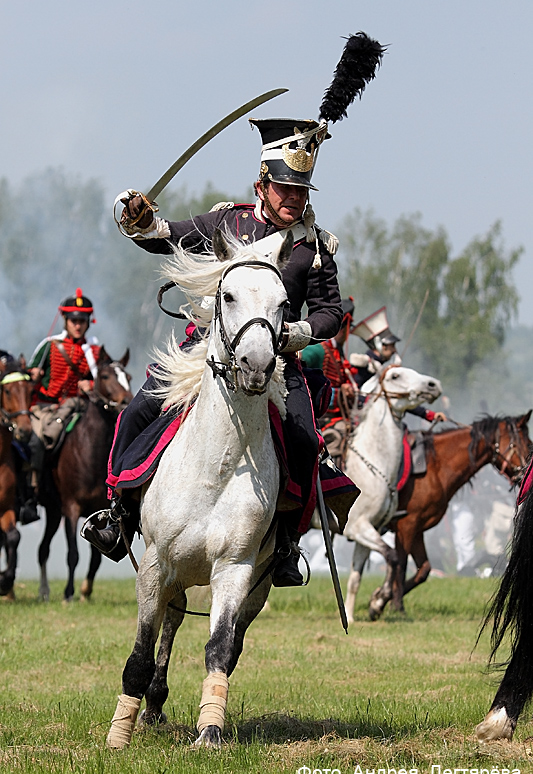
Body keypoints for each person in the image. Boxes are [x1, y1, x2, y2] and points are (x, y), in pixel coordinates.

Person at [84, 118, 356, 586]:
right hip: (204, 353)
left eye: (302, 190)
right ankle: (118, 515)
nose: (294, 197)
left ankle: (287, 541)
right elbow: (166, 234)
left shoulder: (314, 248)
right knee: (138, 410)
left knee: (306, 442)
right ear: (262, 185)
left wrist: (299, 330)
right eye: (285, 188)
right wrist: (140, 219)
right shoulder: (227, 221)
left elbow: (331, 310)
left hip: (276, 361)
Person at [27, 289, 100, 511]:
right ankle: (33, 490)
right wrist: (33, 375)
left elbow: (106, 382)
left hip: (79, 408)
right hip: (47, 409)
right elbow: (30, 372)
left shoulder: (94, 351)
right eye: (73, 320)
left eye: (82, 321)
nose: (78, 325)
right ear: (66, 321)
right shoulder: (49, 345)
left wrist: (92, 385)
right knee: (36, 441)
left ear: (88, 322)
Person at [351, 306, 447, 425]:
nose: (394, 350)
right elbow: (354, 395)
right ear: (381, 346)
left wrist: (429, 414)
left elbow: (400, 397)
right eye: (392, 346)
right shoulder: (364, 366)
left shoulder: (383, 368)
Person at [301, 298, 358, 469]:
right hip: (322, 418)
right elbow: (302, 378)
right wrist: (339, 393)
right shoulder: (317, 349)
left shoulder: (337, 353)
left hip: (338, 417)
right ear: (344, 327)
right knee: (337, 440)